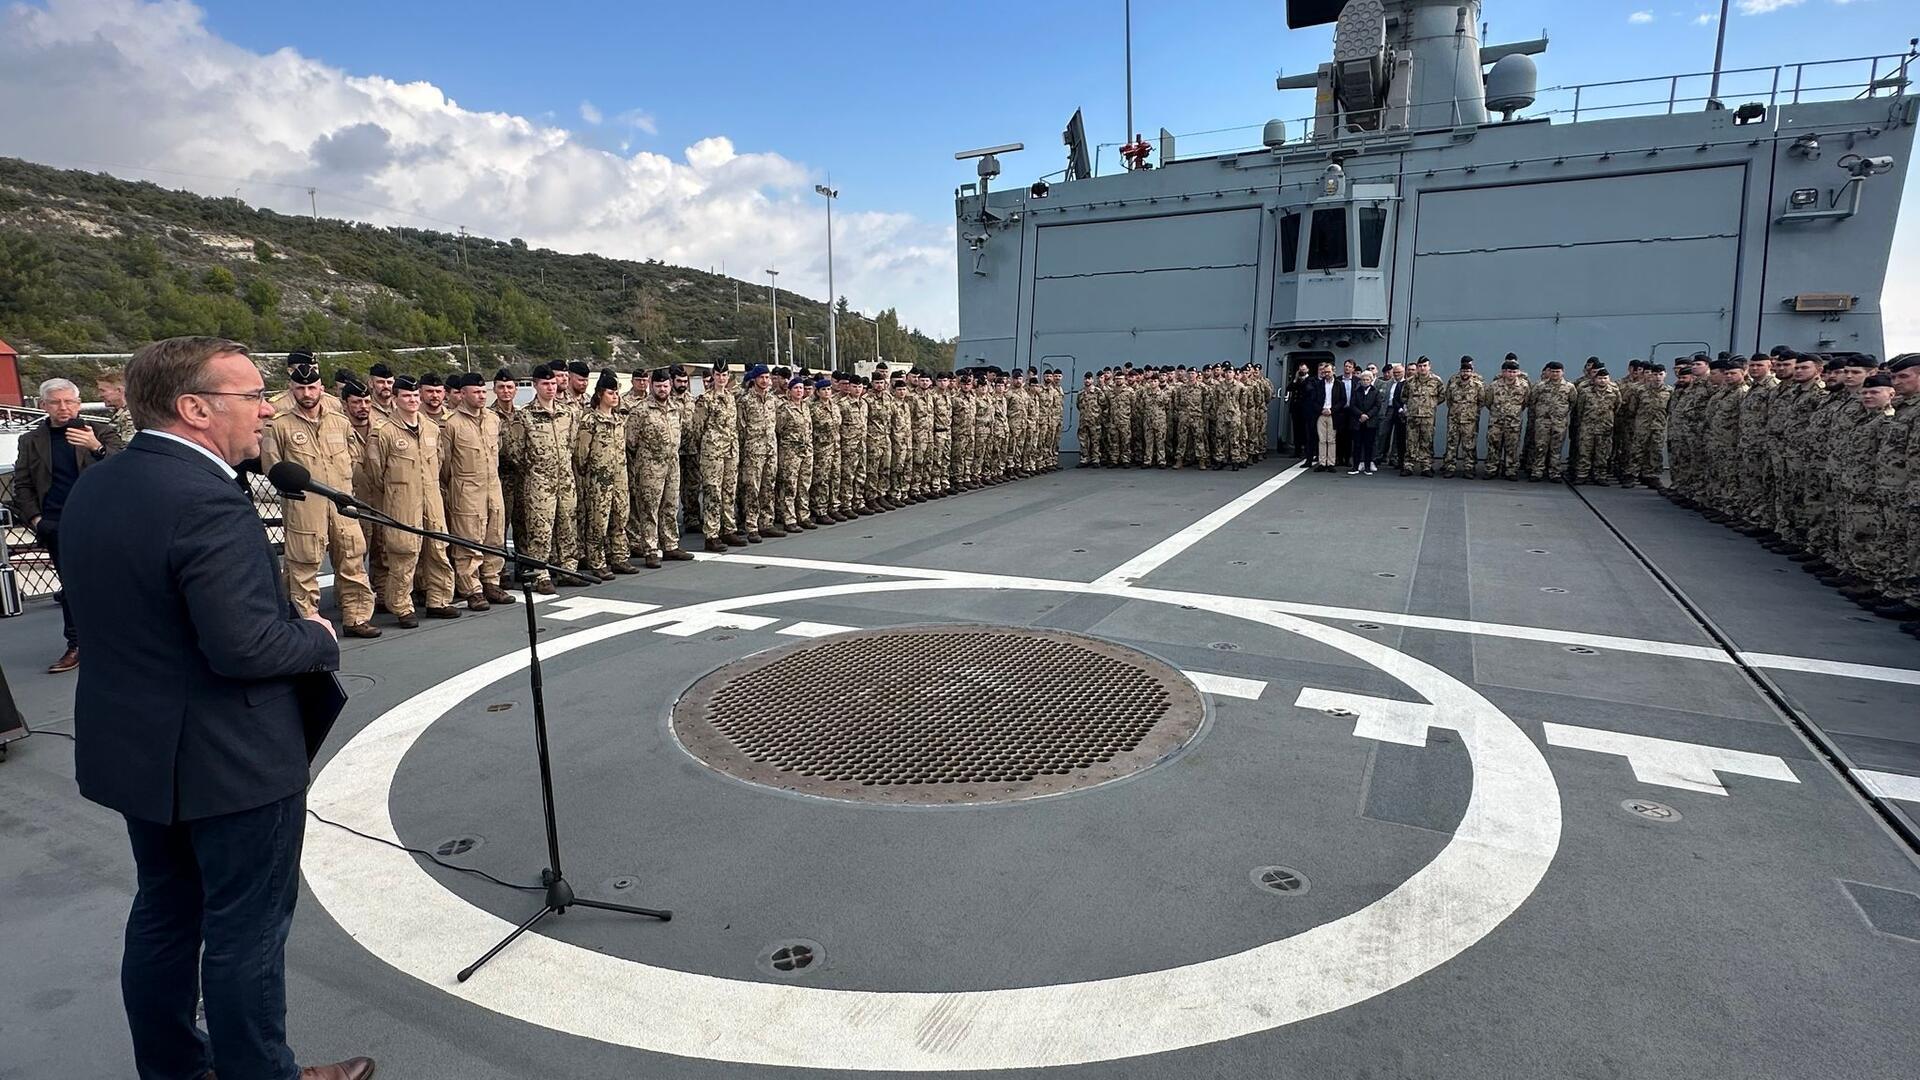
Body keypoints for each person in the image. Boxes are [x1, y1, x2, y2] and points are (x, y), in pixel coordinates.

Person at [57, 335, 372, 1080]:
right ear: (195, 409)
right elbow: (245, 648)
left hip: (137, 751)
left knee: (166, 915)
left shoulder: (102, 483)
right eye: (251, 396)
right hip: (229, 763)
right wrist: (316, 637)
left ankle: (174, 1070)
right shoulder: (207, 501)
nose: (266, 410)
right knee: (246, 934)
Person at [8, 377, 122, 673]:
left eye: (69, 401)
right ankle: (77, 645)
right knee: (72, 586)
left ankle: (123, 641)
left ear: (79, 404)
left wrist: (96, 448)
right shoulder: (31, 441)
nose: (63, 408)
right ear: (43, 405)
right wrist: (36, 520)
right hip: (58, 524)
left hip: (103, 521)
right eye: (56, 402)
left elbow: (125, 470)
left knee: (116, 581)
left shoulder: (101, 432)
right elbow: (22, 484)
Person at [259, 361, 379, 637]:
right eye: (300, 387)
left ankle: (357, 618)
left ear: (321, 389)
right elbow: (272, 466)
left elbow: (354, 457)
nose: (307, 393)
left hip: (341, 501)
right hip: (304, 504)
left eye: (312, 387)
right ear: (291, 389)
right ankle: (308, 619)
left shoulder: (339, 422)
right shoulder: (278, 426)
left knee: (352, 559)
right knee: (304, 564)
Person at [366, 376, 460, 624]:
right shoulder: (383, 432)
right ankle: (402, 606)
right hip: (402, 499)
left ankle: (438, 600)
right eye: (407, 396)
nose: (413, 400)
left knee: (438, 548)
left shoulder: (430, 427)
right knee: (404, 553)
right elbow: (376, 471)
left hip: (431, 495)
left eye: (415, 396)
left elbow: (439, 461)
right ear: (395, 399)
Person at [441, 373, 516, 608]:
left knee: (494, 537)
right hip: (466, 488)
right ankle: (471, 589)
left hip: (492, 486)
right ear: (462, 394)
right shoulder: (450, 423)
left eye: (484, 392)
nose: (481, 396)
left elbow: (498, 451)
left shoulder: (493, 419)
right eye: (476, 392)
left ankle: (491, 582)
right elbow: (444, 464)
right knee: (468, 541)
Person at [1302, 361, 1339, 471]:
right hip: (1320, 414)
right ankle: (1322, 462)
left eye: (1328, 371)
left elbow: (1342, 400)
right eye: (1324, 371)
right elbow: (1313, 399)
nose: (1326, 373)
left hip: (1332, 414)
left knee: (1331, 440)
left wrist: (1332, 410)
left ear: (1333, 371)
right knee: (1322, 440)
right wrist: (1321, 410)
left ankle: (1331, 463)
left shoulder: (1338, 384)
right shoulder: (1317, 384)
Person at [1348, 369, 1381, 474]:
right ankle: (1355, 467)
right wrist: (1360, 414)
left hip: (1370, 422)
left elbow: (1377, 406)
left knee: (1368, 445)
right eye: (1363, 379)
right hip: (1358, 422)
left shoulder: (1375, 392)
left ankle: (1367, 467)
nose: (1365, 381)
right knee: (1357, 445)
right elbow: (1352, 405)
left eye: (1367, 379)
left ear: (1371, 380)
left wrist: (1368, 415)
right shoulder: (1356, 391)